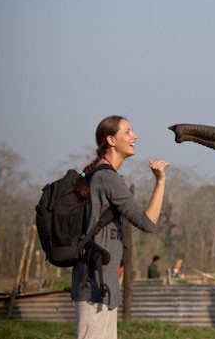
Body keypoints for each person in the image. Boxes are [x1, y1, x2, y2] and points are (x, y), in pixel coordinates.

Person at [71, 115, 168, 339]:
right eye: (127, 131)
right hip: (95, 288)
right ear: (111, 140)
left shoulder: (99, 175)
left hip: (102, 288)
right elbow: (147, 223)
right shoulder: (107, 178)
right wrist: (160, 182)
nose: (134, 136)